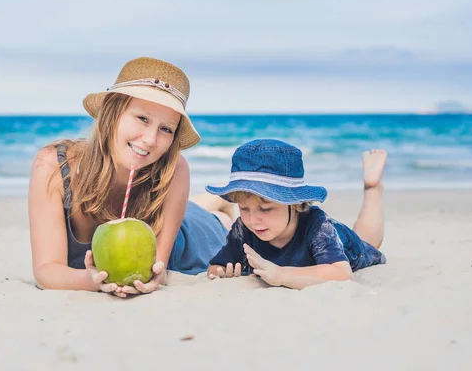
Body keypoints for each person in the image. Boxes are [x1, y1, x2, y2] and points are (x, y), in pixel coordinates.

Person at [28, 57, 233, 297]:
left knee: (219, 222)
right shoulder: (54, 166)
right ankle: (214, 199)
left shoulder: (174, 169)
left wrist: (157, 275)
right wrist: (90, 280)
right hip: (179, 210)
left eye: (166, 129)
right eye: (142, 119)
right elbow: (46, 269)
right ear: (112, 113)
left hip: (187, 237)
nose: (150, 139)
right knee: (194, 208)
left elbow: (160, 267)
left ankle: (221, 203)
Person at [204, 138, 388, 289]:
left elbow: (341, 273)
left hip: (347, 245)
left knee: (367, 240)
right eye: (243, 208)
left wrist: (280, 274)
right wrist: (221, 272)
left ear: (296, 204)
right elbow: (215, 266)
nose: (252, 220)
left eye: (266, 208)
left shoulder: (317, 226)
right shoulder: (243, 229)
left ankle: (372, 187)